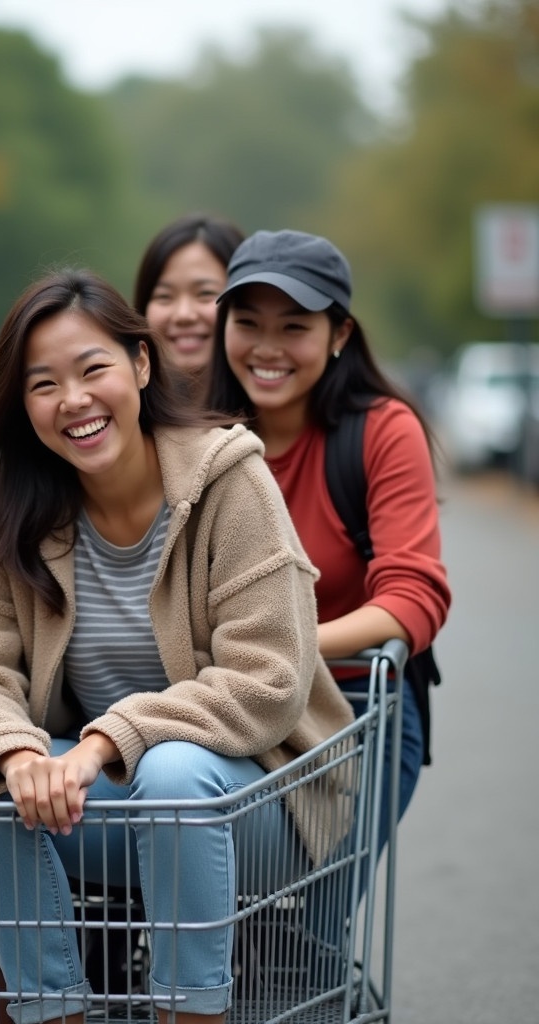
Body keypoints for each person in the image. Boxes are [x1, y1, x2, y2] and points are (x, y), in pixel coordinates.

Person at [0, 268, 356, 1024]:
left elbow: (267, 678)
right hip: (101, 807)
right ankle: (55, 1009)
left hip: (247, 804)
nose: (74, 401)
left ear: (141, 365)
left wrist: (100, 744)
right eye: (43, 384)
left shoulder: (229, 478)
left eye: (93, 370)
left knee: (174, 772)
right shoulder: (14, 507)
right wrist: (21, 757)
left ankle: (191, 1012)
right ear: (23, 406)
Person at [206, 229, 452, 888]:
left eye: (294, 327)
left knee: (303, 948)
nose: (266, 347)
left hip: (356, 709)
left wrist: (290, 647)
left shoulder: (382, 431)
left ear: (339, 334)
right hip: (229, 705)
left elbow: (413, 597)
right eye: (248, 322)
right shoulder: (194, 434)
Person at [133, 213, 244, 397]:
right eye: (164, 296)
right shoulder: (125, 419)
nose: (183, 315)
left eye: (205, 293)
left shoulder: (273, 418)